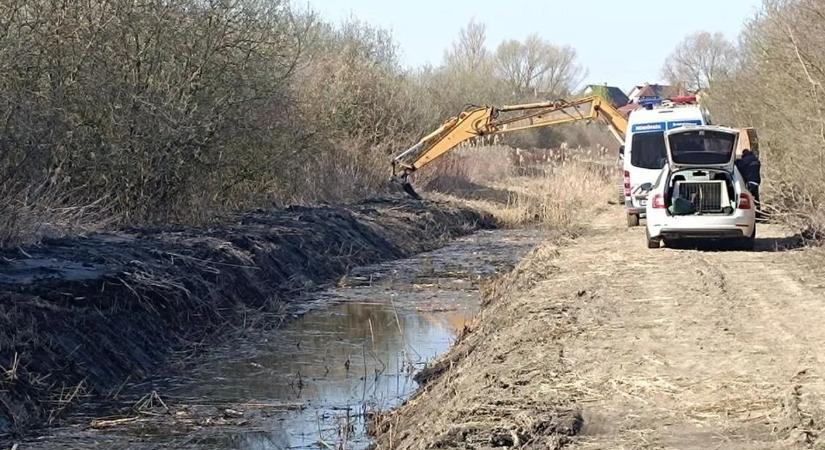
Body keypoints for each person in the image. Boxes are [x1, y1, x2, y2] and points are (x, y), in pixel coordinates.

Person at [736, 149, 762, 213]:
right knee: (756, 198)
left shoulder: (745, 160)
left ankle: (750, 212)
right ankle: (758, 213)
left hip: (750, 182)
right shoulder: (755, 160)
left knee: (748, 197)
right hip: (756, 181)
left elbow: (740, 166)